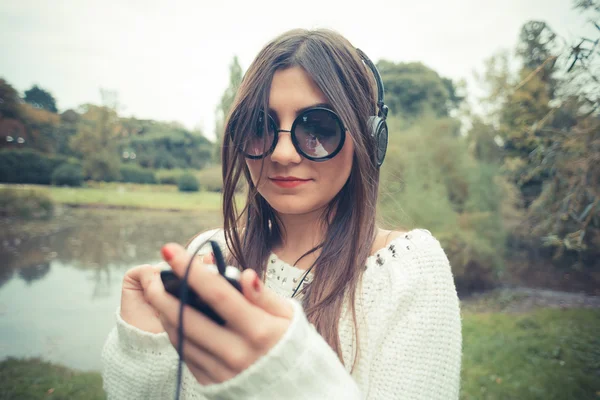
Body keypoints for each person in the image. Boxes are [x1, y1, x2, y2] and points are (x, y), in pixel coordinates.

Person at [101, 28, 462, 399]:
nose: (283, 154)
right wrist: (142, 348)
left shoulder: (407, 270)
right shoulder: (210, 254)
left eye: (317, 128)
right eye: (260, 127)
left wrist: (283, 377)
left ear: (369, 139)